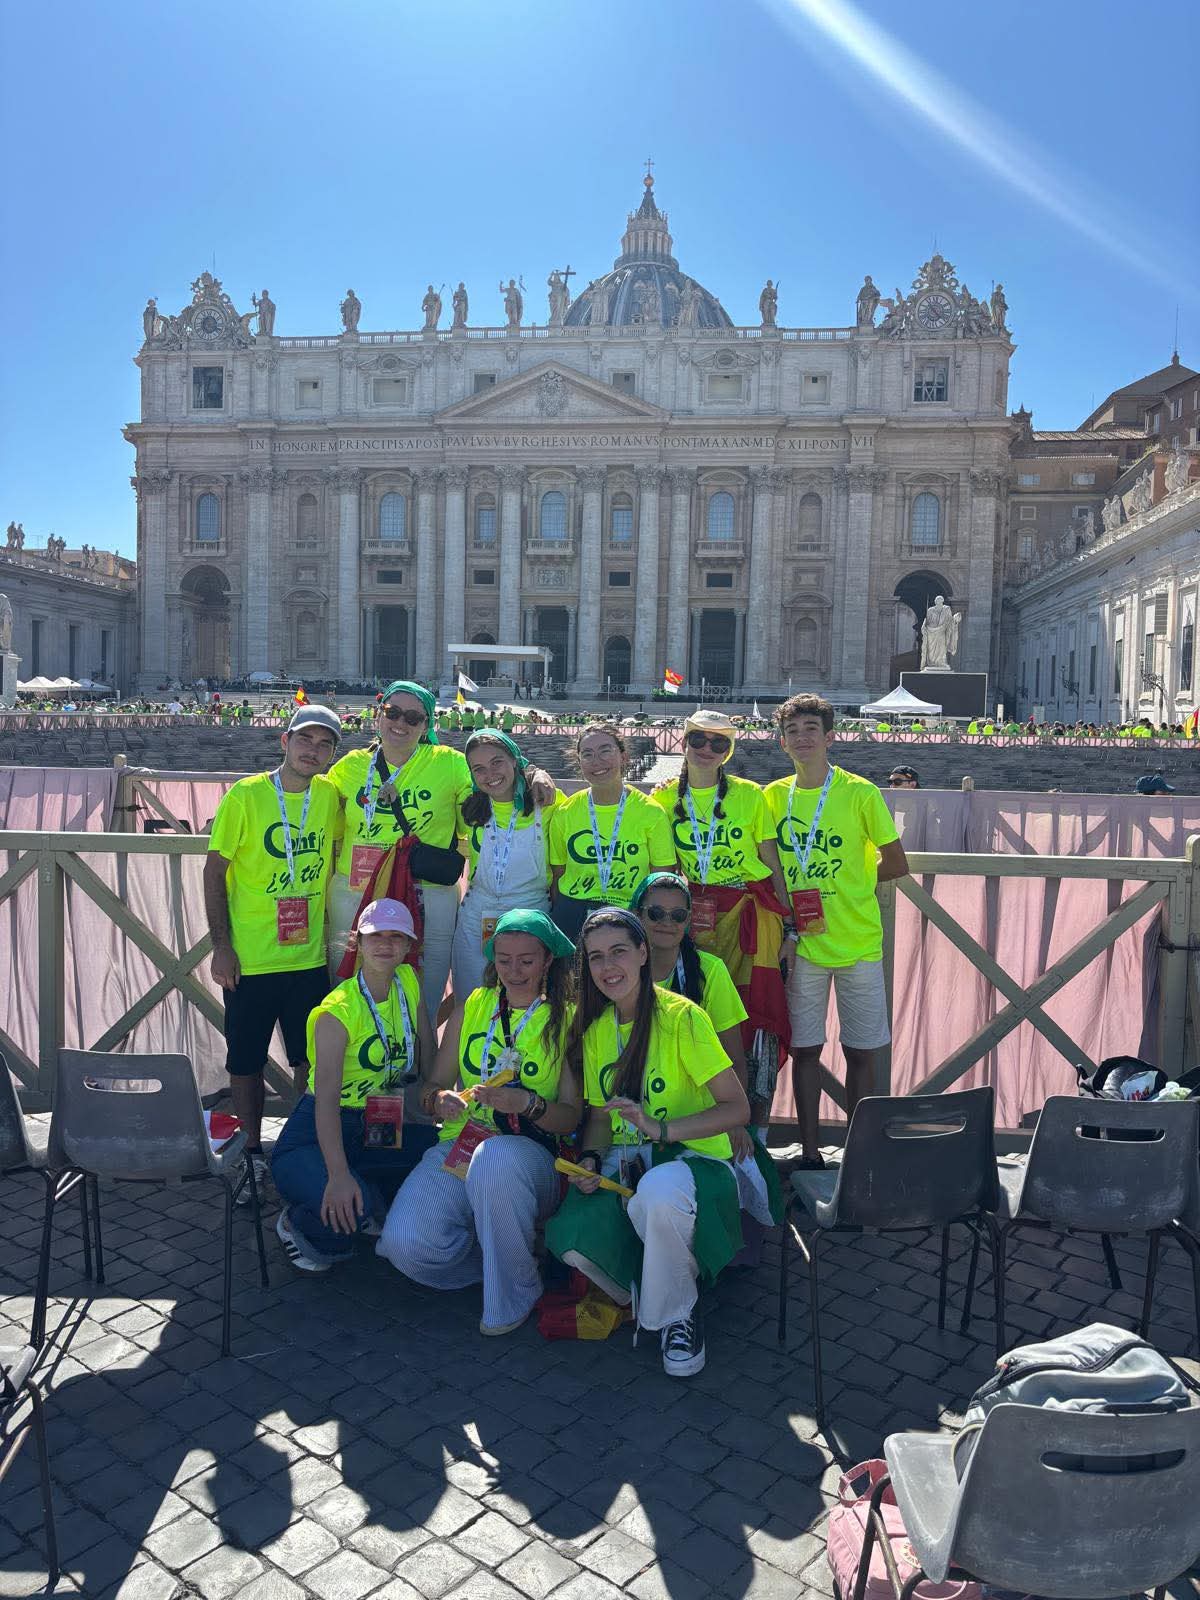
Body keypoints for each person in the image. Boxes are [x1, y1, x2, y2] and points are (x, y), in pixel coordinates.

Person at [545, 909, 750, 1378]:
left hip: (695, 1161)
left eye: (619, 951)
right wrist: (592, 1158)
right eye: (595, 957)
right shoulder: (594, 1030)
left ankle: (680, 1315)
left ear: (643, 954)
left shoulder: (683, 1018)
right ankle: (654, 1285)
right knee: (570, 1238)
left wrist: (661, 1130)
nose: (607, 966)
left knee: (657, 1195)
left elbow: (737, 1110)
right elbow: (598, 1116)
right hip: (626, 1164)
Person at [377, 911, 580, 1335]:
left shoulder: (570, 1017)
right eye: (504, 960)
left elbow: (572, 1119)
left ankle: (517, 1290)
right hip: (461, 1143)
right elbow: (430, 1087)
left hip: (533, 1158)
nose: (514, 971)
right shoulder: (475, 1003)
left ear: (548, 961)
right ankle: (503, 1260)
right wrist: (440, 1098)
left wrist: (527, 1103)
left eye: (527, 960)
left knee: (496, 1157)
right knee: (406, 1247)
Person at [764, 694, 909, 1170]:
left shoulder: (860, 792)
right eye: (793, 731)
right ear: (782, 741)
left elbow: (897, 862)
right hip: (802, 943)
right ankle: (809, 1152)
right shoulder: (772, 796)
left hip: (857, 941)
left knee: (861, 1051)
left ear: (830, 737)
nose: (802, 738)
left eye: (811, 729)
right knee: (805, 1049)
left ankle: (860, 1156)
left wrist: (845, 885)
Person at [203, 704, 343, 1196]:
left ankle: (303, 1147)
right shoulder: (245, 795)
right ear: (285, 742)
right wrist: (221, 946)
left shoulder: (330, 796)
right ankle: (252, 1154)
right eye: (306, 740)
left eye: (325, 744)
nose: (314, 750)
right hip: (252, 958)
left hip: (308, 959)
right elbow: (214, 873)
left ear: (331, 755)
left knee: (315, 1063)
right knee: (245, 1061)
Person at [271, 899, 438, 1272]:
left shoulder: (408, 980)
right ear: (357, 943)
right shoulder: (337, 1011)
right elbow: (325, 1101)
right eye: (375, 935)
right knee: (348, 1217)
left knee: (438, 1152)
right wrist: (338, 1174)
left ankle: (363, 1192)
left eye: (396, 937)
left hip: (377, 1124)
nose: (385, 944)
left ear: (409, 946)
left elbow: (426, 1045)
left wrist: (439, 1092)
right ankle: (296, 1220)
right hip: (317, 1133)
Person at [649, 709, 791, 1135]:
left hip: (750, 915)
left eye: (719, 743)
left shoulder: (751, 795)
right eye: (699, 740)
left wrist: (791, 930)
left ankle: (755, 1128)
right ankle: (694, 1112)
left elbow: (772, 865)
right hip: (691, 916)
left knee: (756, 1015)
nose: (707, 750)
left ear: (729, 751)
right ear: (684, 741)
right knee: (691, 1007)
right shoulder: (662, 799)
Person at [630, 873, 781, 1230]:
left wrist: (734, 1119)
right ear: (637, 916)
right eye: (655, 913)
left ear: (688, 921)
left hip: (698, 1113)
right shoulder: (619, 970)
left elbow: (734, 1056)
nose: (667, 923)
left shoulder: (710, 971)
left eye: (678, 915)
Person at [324, 681, 473, 1025]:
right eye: (392, 713)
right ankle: (355, 1066)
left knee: (425, 988)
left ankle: (419, 1069)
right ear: (378, 715)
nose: (400, 724)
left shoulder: (450, 764)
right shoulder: (350, 766)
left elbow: (486, 806)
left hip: (428, 892)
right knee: (348, 983)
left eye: (413, 718)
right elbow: (318, 815)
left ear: (426, 726)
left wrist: (531, 775)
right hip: (356, 891)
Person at [450, 731, 560, 1000]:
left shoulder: (547, 804)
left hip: (531, 911)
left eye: (497, 762)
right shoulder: (468, 804)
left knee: (528, 998)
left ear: (515, 760)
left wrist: (537, 772)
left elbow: (559, 873)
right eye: (479, 769)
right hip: (477, 914)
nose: (490, 774)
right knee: (471, 998)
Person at [548, 723, 676, 939]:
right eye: (587, 754)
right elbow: (558, 876)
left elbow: (660, 879)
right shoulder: (565, 812)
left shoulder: (651, 812)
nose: (597, 761)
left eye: (605, 751)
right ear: (579, 762)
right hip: (573, 913)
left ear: (624, 757)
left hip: (630, 912)